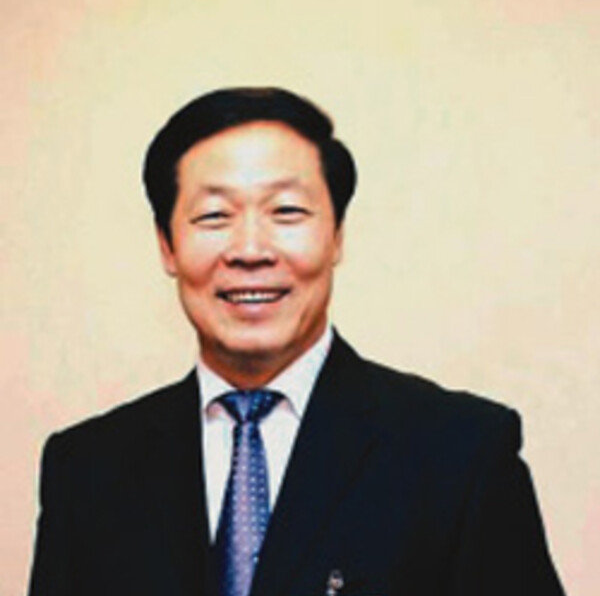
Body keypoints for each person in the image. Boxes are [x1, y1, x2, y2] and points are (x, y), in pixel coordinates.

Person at [28, 87, 565, 596]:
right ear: (167, 245)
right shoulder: (86, 471)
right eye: (214, 216)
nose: (250, 250)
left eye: (286, 212)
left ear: (336, 236)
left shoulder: (461, 455)